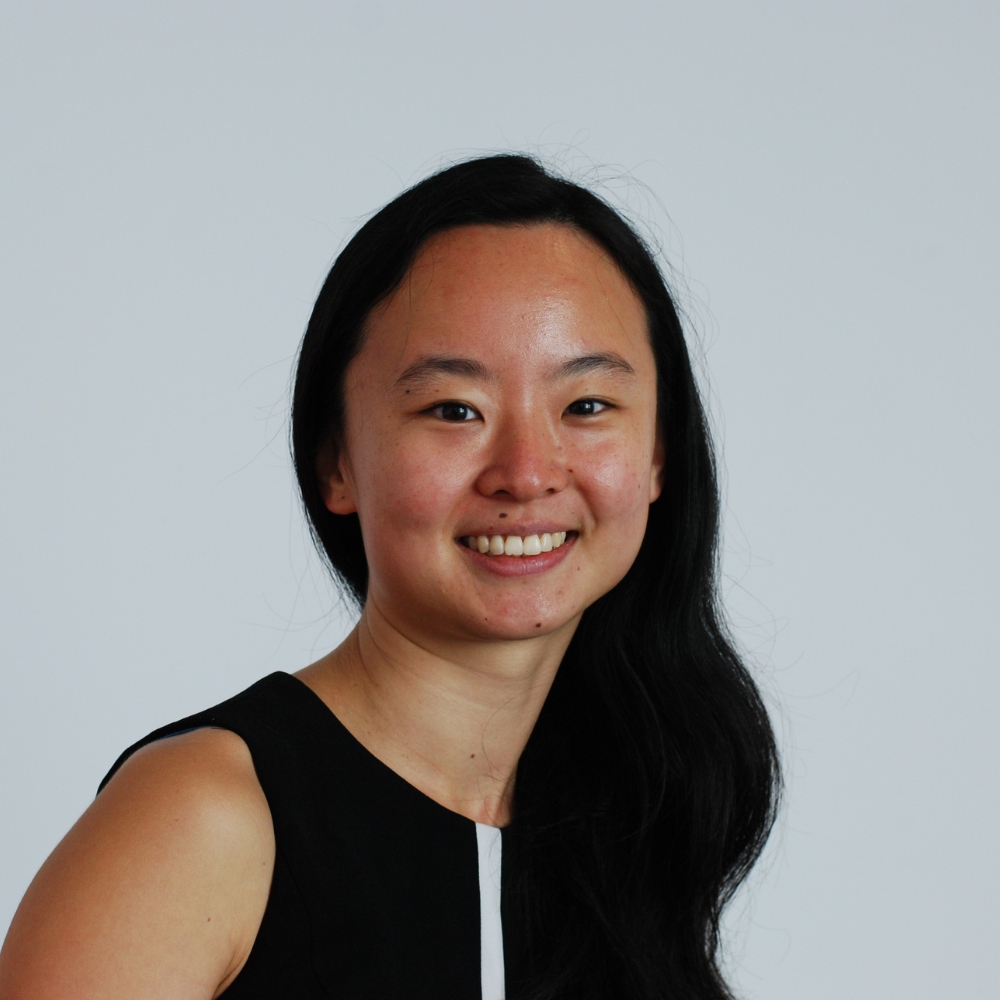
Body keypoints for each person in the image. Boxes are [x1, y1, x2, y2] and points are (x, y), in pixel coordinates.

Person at [0, 155, 780, 1000]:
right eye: (454, 410)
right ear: (336, 460)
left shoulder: (629, 826)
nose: (525, 472)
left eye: (587, 407)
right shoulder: (206, 818)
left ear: (660, 453)